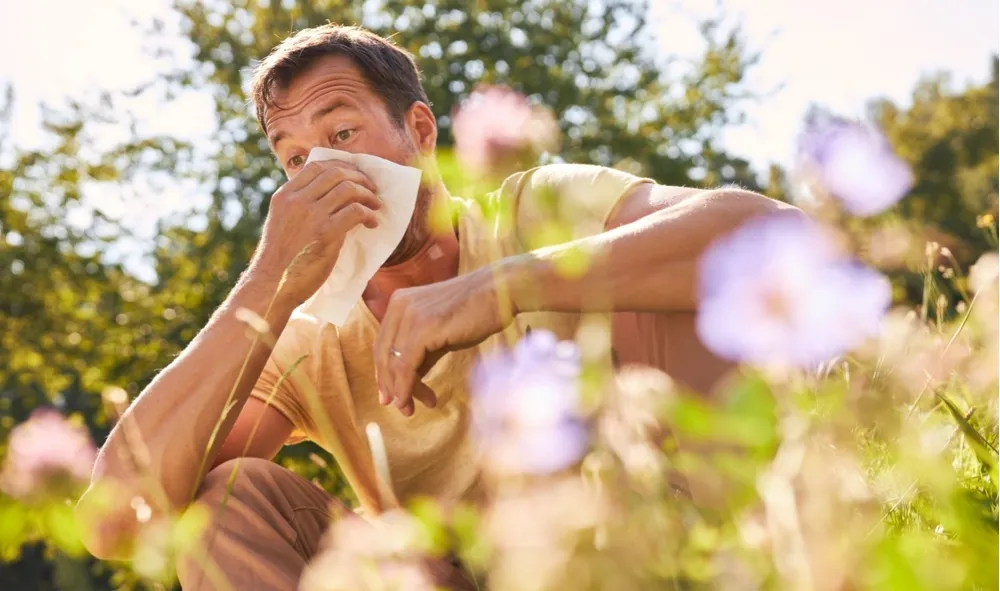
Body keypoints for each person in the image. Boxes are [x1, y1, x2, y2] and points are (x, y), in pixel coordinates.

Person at [77, 24, 796, 590]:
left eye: (342, 134)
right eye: (295, 160)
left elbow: (779, 237)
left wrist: (502, 288)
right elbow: (116, 524)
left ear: (421, 133)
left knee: (658, 278)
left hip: (635, 547)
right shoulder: (309, 338)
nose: (323, 173)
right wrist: (269, 280)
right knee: (223, 496)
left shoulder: (534, 212)